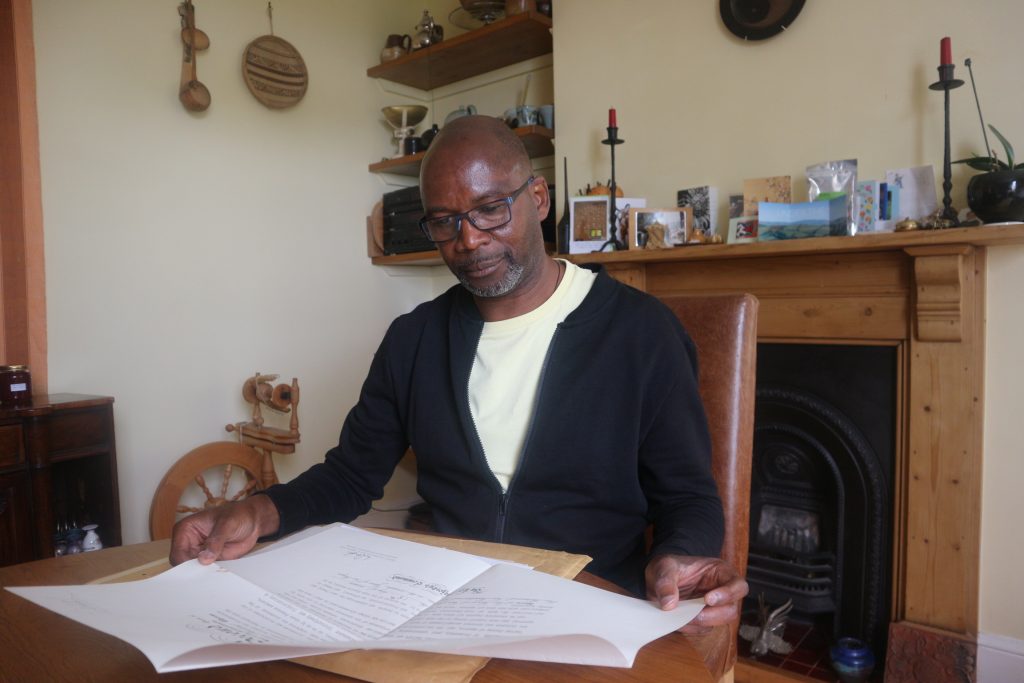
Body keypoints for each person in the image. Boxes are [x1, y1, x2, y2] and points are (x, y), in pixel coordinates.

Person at [171, 115, 748, 631]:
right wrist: (256, 510)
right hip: (447, 606)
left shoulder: (641, 334)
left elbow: (688, 497)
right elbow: (350, 477)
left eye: (490, 209)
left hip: (588, 610)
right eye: (444, 222)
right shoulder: (413, 340)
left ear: (539, 197)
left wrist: (678, 556)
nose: (469, 241)